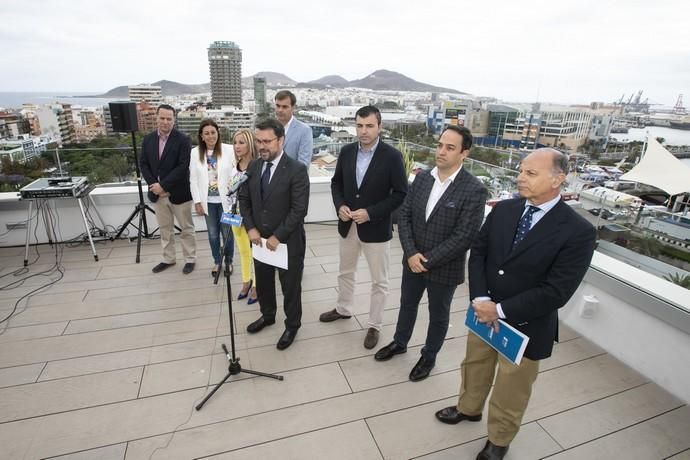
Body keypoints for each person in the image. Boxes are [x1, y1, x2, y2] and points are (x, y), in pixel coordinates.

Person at [435, 148, 596, 460]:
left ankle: (499, 439)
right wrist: (481, 299)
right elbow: (479, 252)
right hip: (483, 313)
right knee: (474, 366)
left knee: (512, 386)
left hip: (526, 325)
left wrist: (500, 310)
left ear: (558, 179)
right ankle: (468, 409)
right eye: (521, 171)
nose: (520, 178)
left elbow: (557, 291)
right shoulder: (504, 209)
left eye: (530, 173)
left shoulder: (579, 232)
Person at [374, 125, 487, 381]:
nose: (441, 151)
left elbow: (464, 236)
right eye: (439, 145)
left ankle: (429, 356)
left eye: (450, 147)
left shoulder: (474, 190)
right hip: (412, 260)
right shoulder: (422, 178)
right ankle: (400, 342)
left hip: (444, 267)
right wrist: (412, 253)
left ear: (464, 153)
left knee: (438, 315)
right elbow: (404, 217)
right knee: (407, 304)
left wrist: (426, 260)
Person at [319, 105, 408, 349]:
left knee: (379, 281)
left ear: (380, 127)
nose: (364, 131)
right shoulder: (347, 151)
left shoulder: (392, 157)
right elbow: (336, 183)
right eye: (359, 125)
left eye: (369, 126)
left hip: (376, 229)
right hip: (347, 226)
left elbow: (401, 194)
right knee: (345, 272)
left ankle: (374, 325)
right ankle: (343, 308)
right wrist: (340, 206)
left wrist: (371, 213)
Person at [239, 117, 310, 350]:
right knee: (265, 283)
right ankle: (268, 315)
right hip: (259, 241)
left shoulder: (297, 170)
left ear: (281, 140)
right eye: (258, 141)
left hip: (287, 242)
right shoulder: (253, 166)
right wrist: (250, 228)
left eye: (267, 141)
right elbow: (244, 200)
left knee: (290, 288)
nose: (262, 146)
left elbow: (299, 209)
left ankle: (292, 326)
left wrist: (277, 236)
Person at [140, 104, 196, 274]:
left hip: (179, 193)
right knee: (165, 229)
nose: (165, 122)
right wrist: (155, 187)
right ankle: (168, 258)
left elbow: (183, 166)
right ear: (156, 118)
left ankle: (190, 259)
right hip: (157, 194)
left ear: (174, 120)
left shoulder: (183, 140)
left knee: (186, 228)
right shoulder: (148, 139)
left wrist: (163, 185)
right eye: (162, 118)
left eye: (169, 119)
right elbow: (143, 164)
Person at [189, 119, 235, 277]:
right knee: (213, 234)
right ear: (201, 136)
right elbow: (193, 179)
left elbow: (236, 174)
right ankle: (217, 261)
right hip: (208, 202)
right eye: (206, 133)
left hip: (227, 202)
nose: (210, 136)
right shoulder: (195, 153)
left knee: (227, 233)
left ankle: (229, 261)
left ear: (218, 133)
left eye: (213, 132)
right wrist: (197, 201)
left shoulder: (229, 150)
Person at [230, 128, 258, 303]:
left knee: (256, 253)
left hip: (252, 219)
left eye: (241, 142)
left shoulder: (258, 166)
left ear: (250, 144)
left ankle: (257, 285)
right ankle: (246, 281)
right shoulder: (233, 167)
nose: (237, 146)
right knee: (242, 251)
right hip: (235, 217)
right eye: (234, 142)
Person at [274, 90, 313, 168]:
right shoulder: (269, 128)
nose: (280, 110)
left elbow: (303, 164)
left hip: (292, 179)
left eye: (284, 107)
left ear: (293, 108)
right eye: (278, 106)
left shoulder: (304, 130)